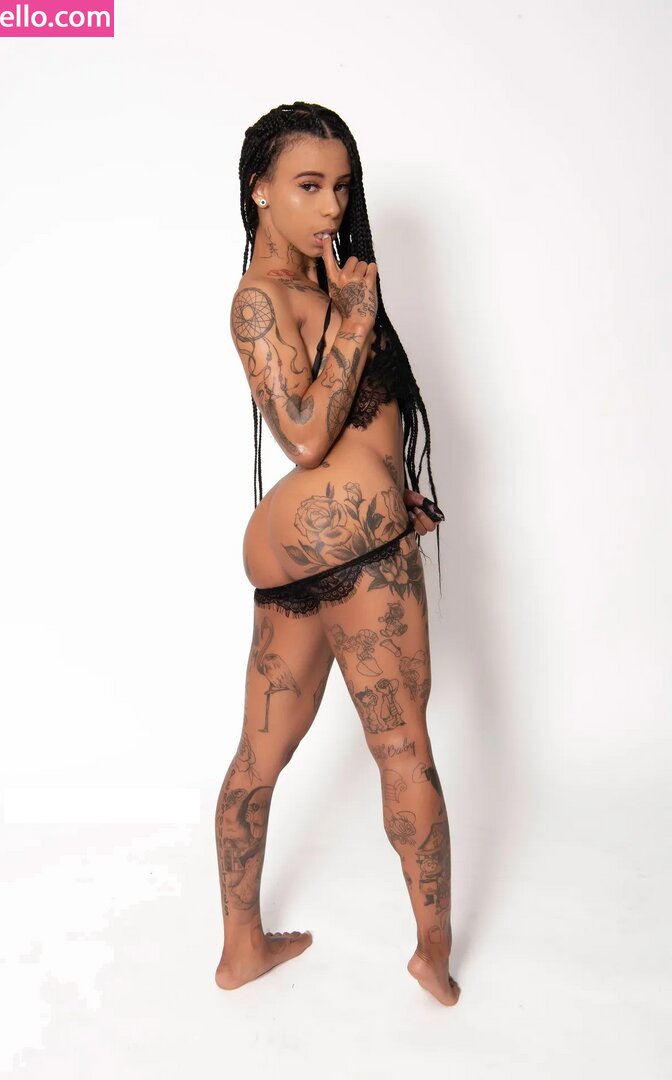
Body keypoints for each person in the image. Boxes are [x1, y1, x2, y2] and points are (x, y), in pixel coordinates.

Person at [214, 101, 460, 1006]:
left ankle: (242, 952)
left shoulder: (320, 286)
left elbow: (362, 429)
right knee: (402, 748)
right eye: (309, 185)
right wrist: (356, 315)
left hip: (321, 545)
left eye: (342, 187)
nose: (331, 206)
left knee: (259, 754)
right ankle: (433, 958)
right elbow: (306, 435)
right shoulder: (263, 297)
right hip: (350, 549)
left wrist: (395, 495)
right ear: (260, 190)